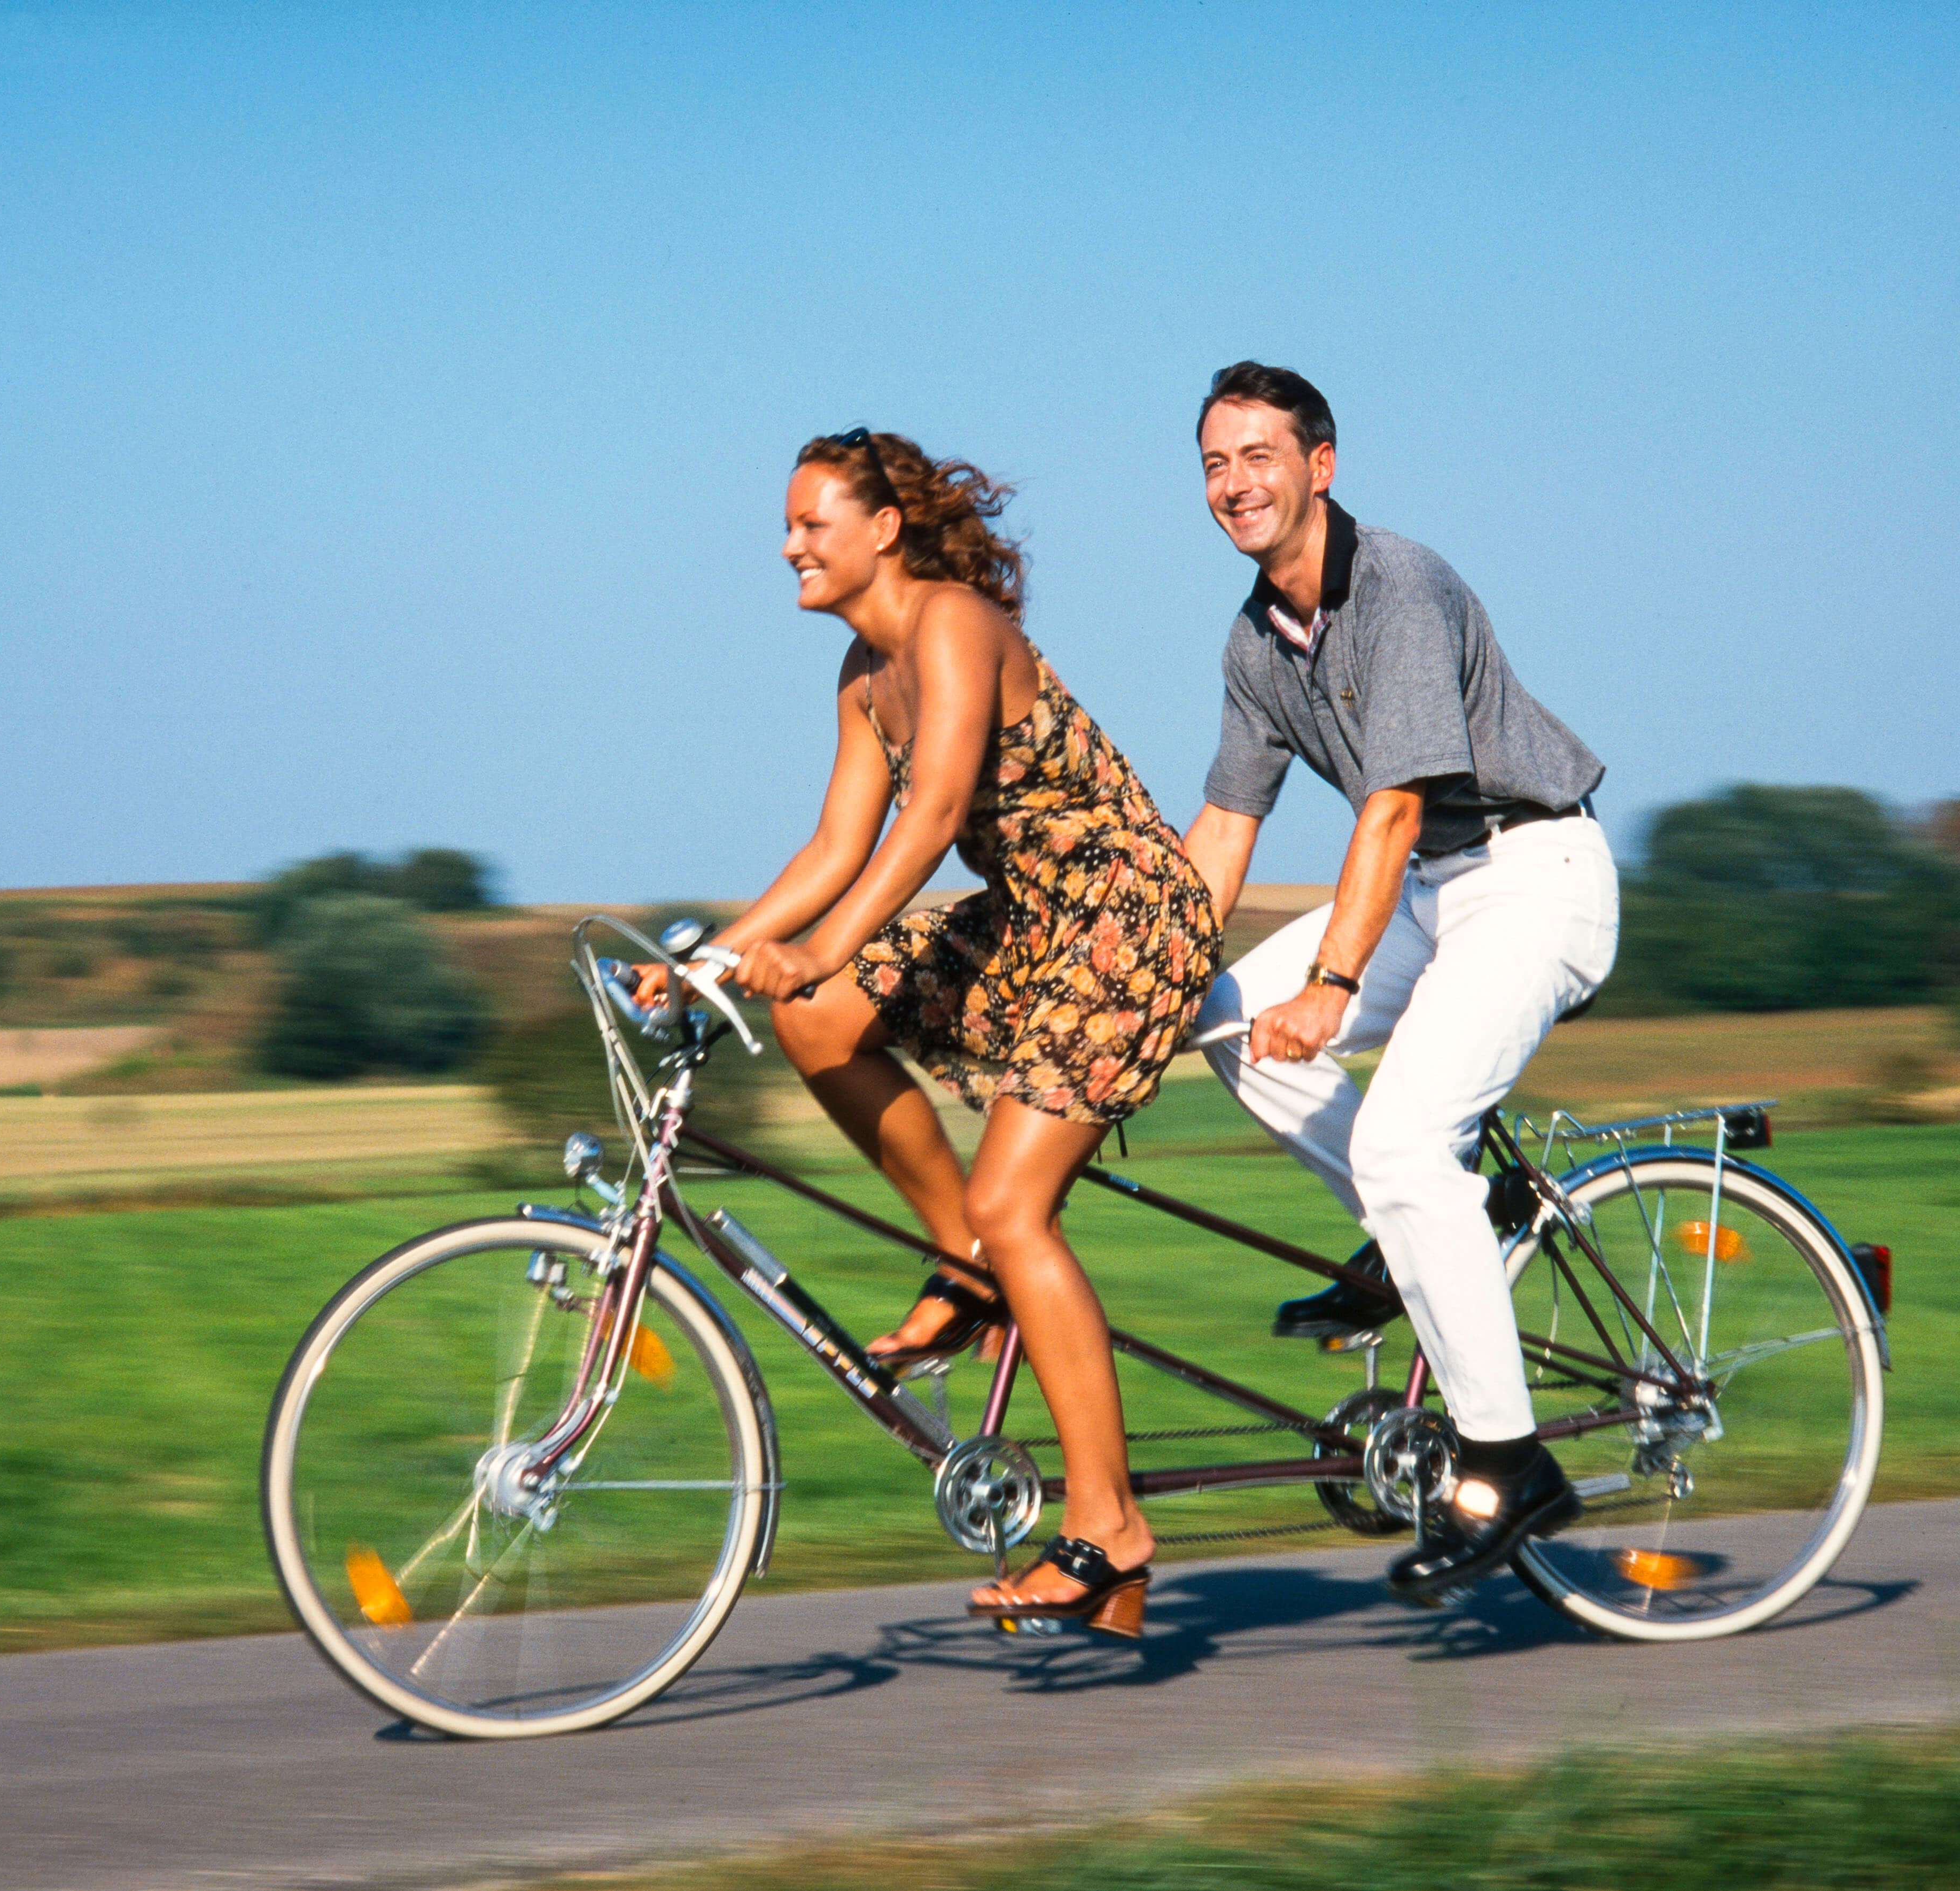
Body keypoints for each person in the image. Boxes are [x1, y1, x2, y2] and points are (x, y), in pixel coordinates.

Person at [666, 428, 1220, 1634]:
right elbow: (832, 847)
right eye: (789, 523)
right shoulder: (864, 675)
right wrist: (705, 961)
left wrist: (816, 944)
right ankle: (968, 1267)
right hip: (1029, 918)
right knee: (816, 1020)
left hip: (1125, 919)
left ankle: (1108, 1524)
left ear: (882, 529)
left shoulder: (954, 624)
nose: (787, 545)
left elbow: (932, 817)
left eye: (811, 523)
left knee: (1018, 1203)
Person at [1176, 363, 1619, 1602]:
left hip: (1535, 879)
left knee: (1402, 1136)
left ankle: (1506, 1460)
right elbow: (1222, 825)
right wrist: (1142, 979)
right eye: (1213, 463)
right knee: (1217, 1022)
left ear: (1321, 464)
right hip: (1433, 891)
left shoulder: (1399, 585)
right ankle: (1416, 1231)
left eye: (1258, 455)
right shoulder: (1254, 639)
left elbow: (1393, 802)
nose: (1233, 484)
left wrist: (1328, 979)